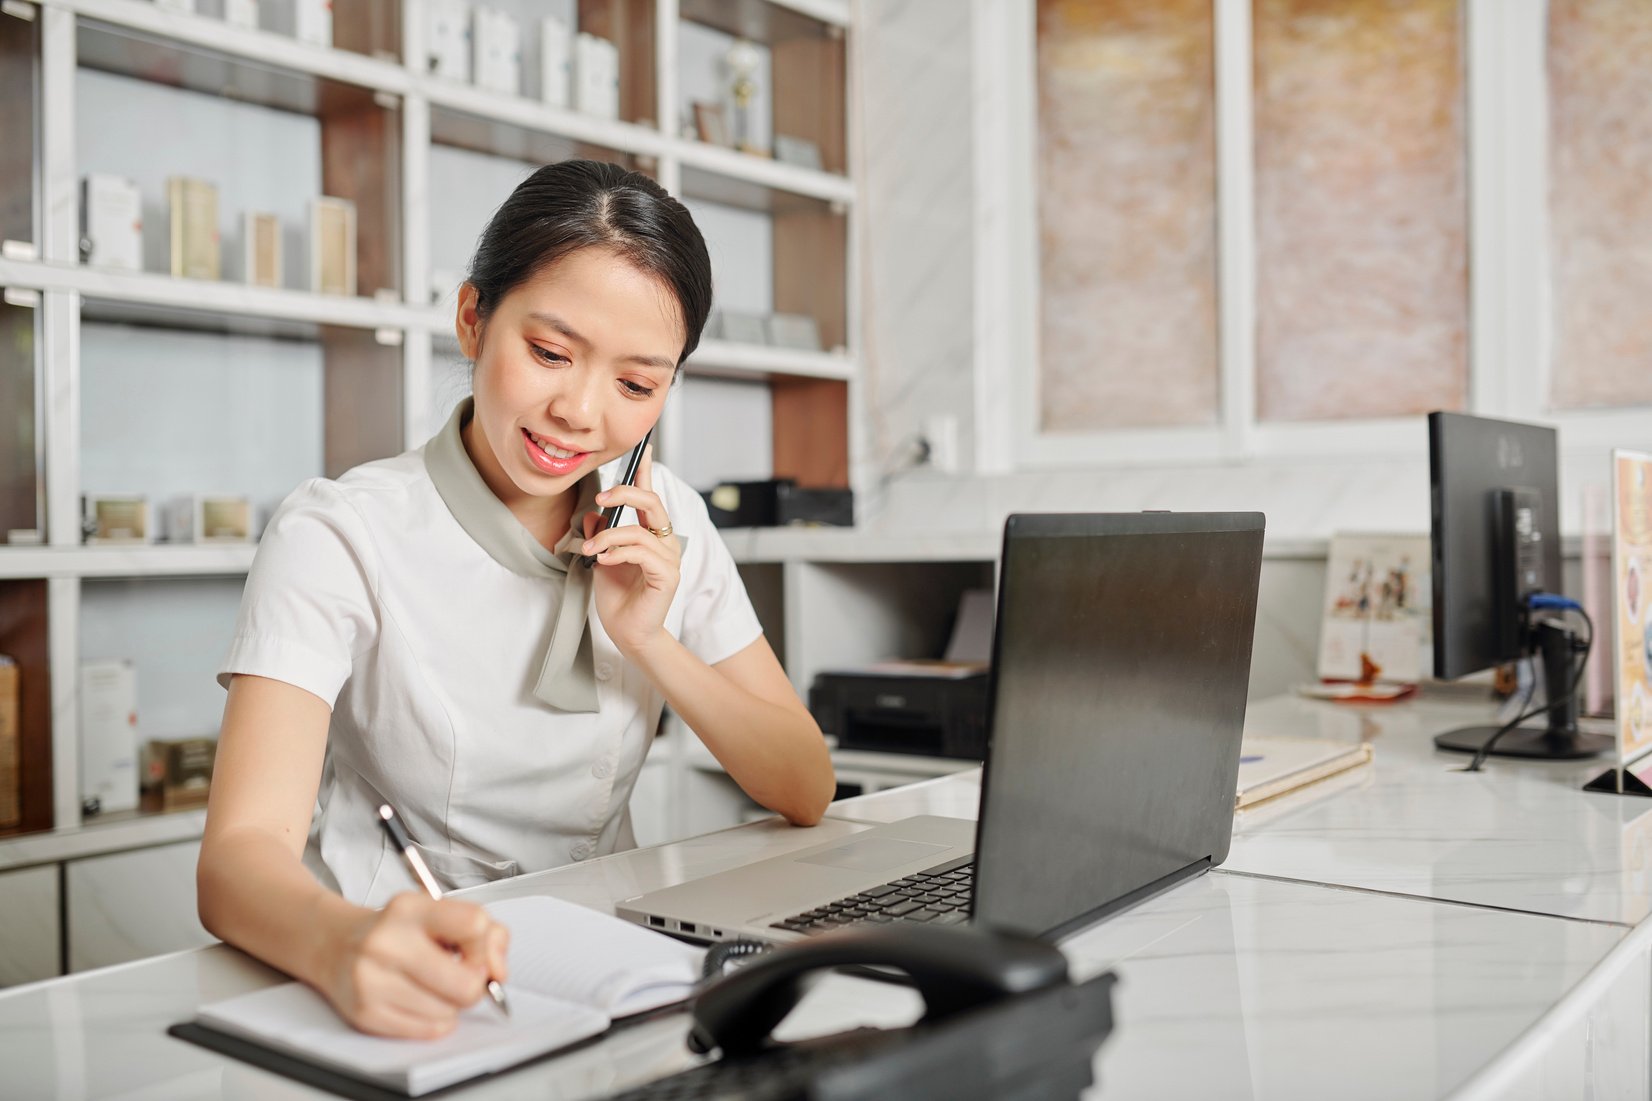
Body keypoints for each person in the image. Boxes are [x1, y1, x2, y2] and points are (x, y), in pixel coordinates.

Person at [197, 160, 836, 1040]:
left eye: (636, 384)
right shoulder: (339, 530)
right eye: (549, 353)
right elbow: (236, 857)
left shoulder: (666, 521)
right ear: (472, 318)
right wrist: (346, 946)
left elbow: (805, 784)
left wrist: (651, 639)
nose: (579, 410)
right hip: (401, 968)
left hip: (612, 969)